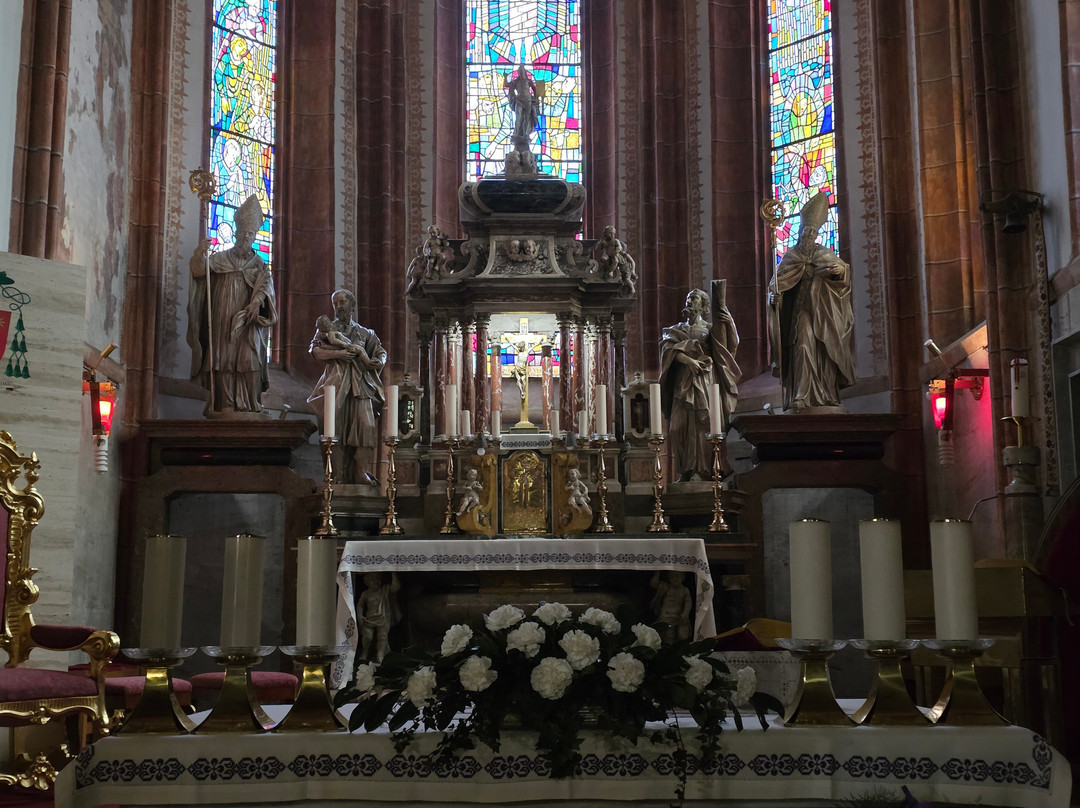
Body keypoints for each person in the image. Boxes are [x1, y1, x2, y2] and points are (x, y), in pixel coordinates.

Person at [187, 194, 277, 415]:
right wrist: (200, 253)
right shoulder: (220, 258)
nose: (246, 236)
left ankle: (251, 403)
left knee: (250, 359)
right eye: (243, 233)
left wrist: (256, 304)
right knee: (223, 358)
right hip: (222, 313)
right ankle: (225, 403)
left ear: (254, 236)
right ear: (236, 234)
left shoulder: (259, 266)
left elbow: (267, 289)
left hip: (249, 320)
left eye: (251, 234)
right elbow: (199, 271)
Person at [768, 191, 855, 410]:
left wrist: (837, 271)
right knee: (803, 347)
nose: (808, 236)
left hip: (823, 312)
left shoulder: (822, 253)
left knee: (823, 350)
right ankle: (801, 394)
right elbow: (776, 285)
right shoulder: (791, 256)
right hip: (800, 313)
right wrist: (774, 296)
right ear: (799, 233)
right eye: (805, 232)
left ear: (816, 234)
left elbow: (843, 273)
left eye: (811, 232)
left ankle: (824, 393)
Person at [658, 280, 740, 481]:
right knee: (677, 427)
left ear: (703, 305)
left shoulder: (710, 328)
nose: (689, 301)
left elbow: (729, 347)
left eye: (694, 298)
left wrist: (727, 319)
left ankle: (705, 470)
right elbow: (668, 350)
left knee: (703, 423)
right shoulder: (675, 329)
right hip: (683, 381)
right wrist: (688, 360)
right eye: (688, 298)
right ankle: (686, 468)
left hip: (704, 379)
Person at [308, 289, 387, 484]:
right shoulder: (327, 329)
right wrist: (339, 355)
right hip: (335, 384)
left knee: (366, 427)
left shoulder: (366, 333)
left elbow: (380, 352)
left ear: (352, 305)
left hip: (361, 386)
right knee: (336, 429)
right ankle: (338, 475)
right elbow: (315, 351)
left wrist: (376, 361)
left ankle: (360, 472)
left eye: (343, 302)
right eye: (336, 303)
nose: (339, 306)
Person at [356, 572, 401, 664]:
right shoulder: (365, 594)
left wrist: (393, 572)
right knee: (367, 636)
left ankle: (379, 655)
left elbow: (396, 587)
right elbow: (360, 606)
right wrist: (360, 616)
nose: (376, 582)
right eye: (373, 580)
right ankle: (365, 653)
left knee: (382, 636)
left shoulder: (385, 590)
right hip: (369, 619)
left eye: (378, 580)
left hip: (383, 617)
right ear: (367, 582)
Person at [650, 570, 692, 644]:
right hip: (666, 616)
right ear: (669, 578)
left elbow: (688, 602)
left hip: (680, 616)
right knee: (669, 635)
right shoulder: (665, 587)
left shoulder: (685, 590)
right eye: (672, 577)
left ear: (683, 578)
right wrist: (657, 571)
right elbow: (654, 584)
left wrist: (686, 613)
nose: (675, 579)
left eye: (678, 577)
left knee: (683, 635)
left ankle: (681, 651)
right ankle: (669, 652)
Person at [504, 63, 539, 141]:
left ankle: (526, 134)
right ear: (519, 73)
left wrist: (536, 99)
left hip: (528, 100)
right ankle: (516, 133)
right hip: (519, 100)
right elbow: (507, 85)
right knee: (518, 117)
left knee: (527, 118)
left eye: (523, 70)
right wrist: (505, 77)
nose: (522, 72)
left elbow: (534, 89)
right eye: (520, 71)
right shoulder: (516, 81)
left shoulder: (529, 81)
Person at [598, 225, 637, 295]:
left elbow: (619, 247)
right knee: (603, 259)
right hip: (608, 255)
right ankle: (608, 269)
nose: (612, 235)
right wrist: (603, 243)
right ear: (606, 234)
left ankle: (611, 271)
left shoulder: (616, 241)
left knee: (615, 261)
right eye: (610, 233)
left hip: (614, 255)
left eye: (613, 233)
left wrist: (616, 252)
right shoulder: (606, 241)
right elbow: (602, 247)